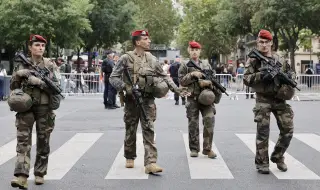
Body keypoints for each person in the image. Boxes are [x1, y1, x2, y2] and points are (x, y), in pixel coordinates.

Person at [109, 30, 180, 174]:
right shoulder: (125, 58)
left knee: (149, 128)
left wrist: (176, 89)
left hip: (147, 99)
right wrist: (126, 88)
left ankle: (151, 162)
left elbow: (164, 76)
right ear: (137, 42)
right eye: (145, 38)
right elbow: (113, 77)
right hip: (131, 100)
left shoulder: (152, 59)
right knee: (131, 129)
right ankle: (129, 155)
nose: (149, 41)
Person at [8, 34, 61, 188]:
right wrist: (18, 75)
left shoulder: (50, 65)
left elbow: (57, 88)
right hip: (25, 107)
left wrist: (39, 82)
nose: (40, 48)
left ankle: (39, 173)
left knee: (43, 141)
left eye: (42, 46)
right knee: (23, 142)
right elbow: (13, 86)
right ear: (30, 47)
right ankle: (21, 176)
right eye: (37, 45)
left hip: (45, 108)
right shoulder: (21, 64)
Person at [243, 29, 296, 174]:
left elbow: (291, 74)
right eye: (261, 42)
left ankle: (278, 156)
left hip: (279, 99)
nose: (264, 45)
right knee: (263, 132)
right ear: (257, 43)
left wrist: (290, 80)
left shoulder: (280, 59)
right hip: (263, 99)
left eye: (267, 42)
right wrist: (262, 75)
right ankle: (262, 163)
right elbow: (246, 79)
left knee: (288, 129)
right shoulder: (253, 60)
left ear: (271, 43)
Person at [178, 41, 222, 159]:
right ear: (189, 50)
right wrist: (192, 75)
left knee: (209, 120)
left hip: (206, 98)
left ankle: (207, 149)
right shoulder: (185, 65)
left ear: (200, 51)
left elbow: (213, 79)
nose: (194, 52)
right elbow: (181, 81)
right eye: (192, 50)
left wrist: (208, 83)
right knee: (193, 124)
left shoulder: (206, 65)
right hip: (192, 98)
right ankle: (194, 148)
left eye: (196, 50)